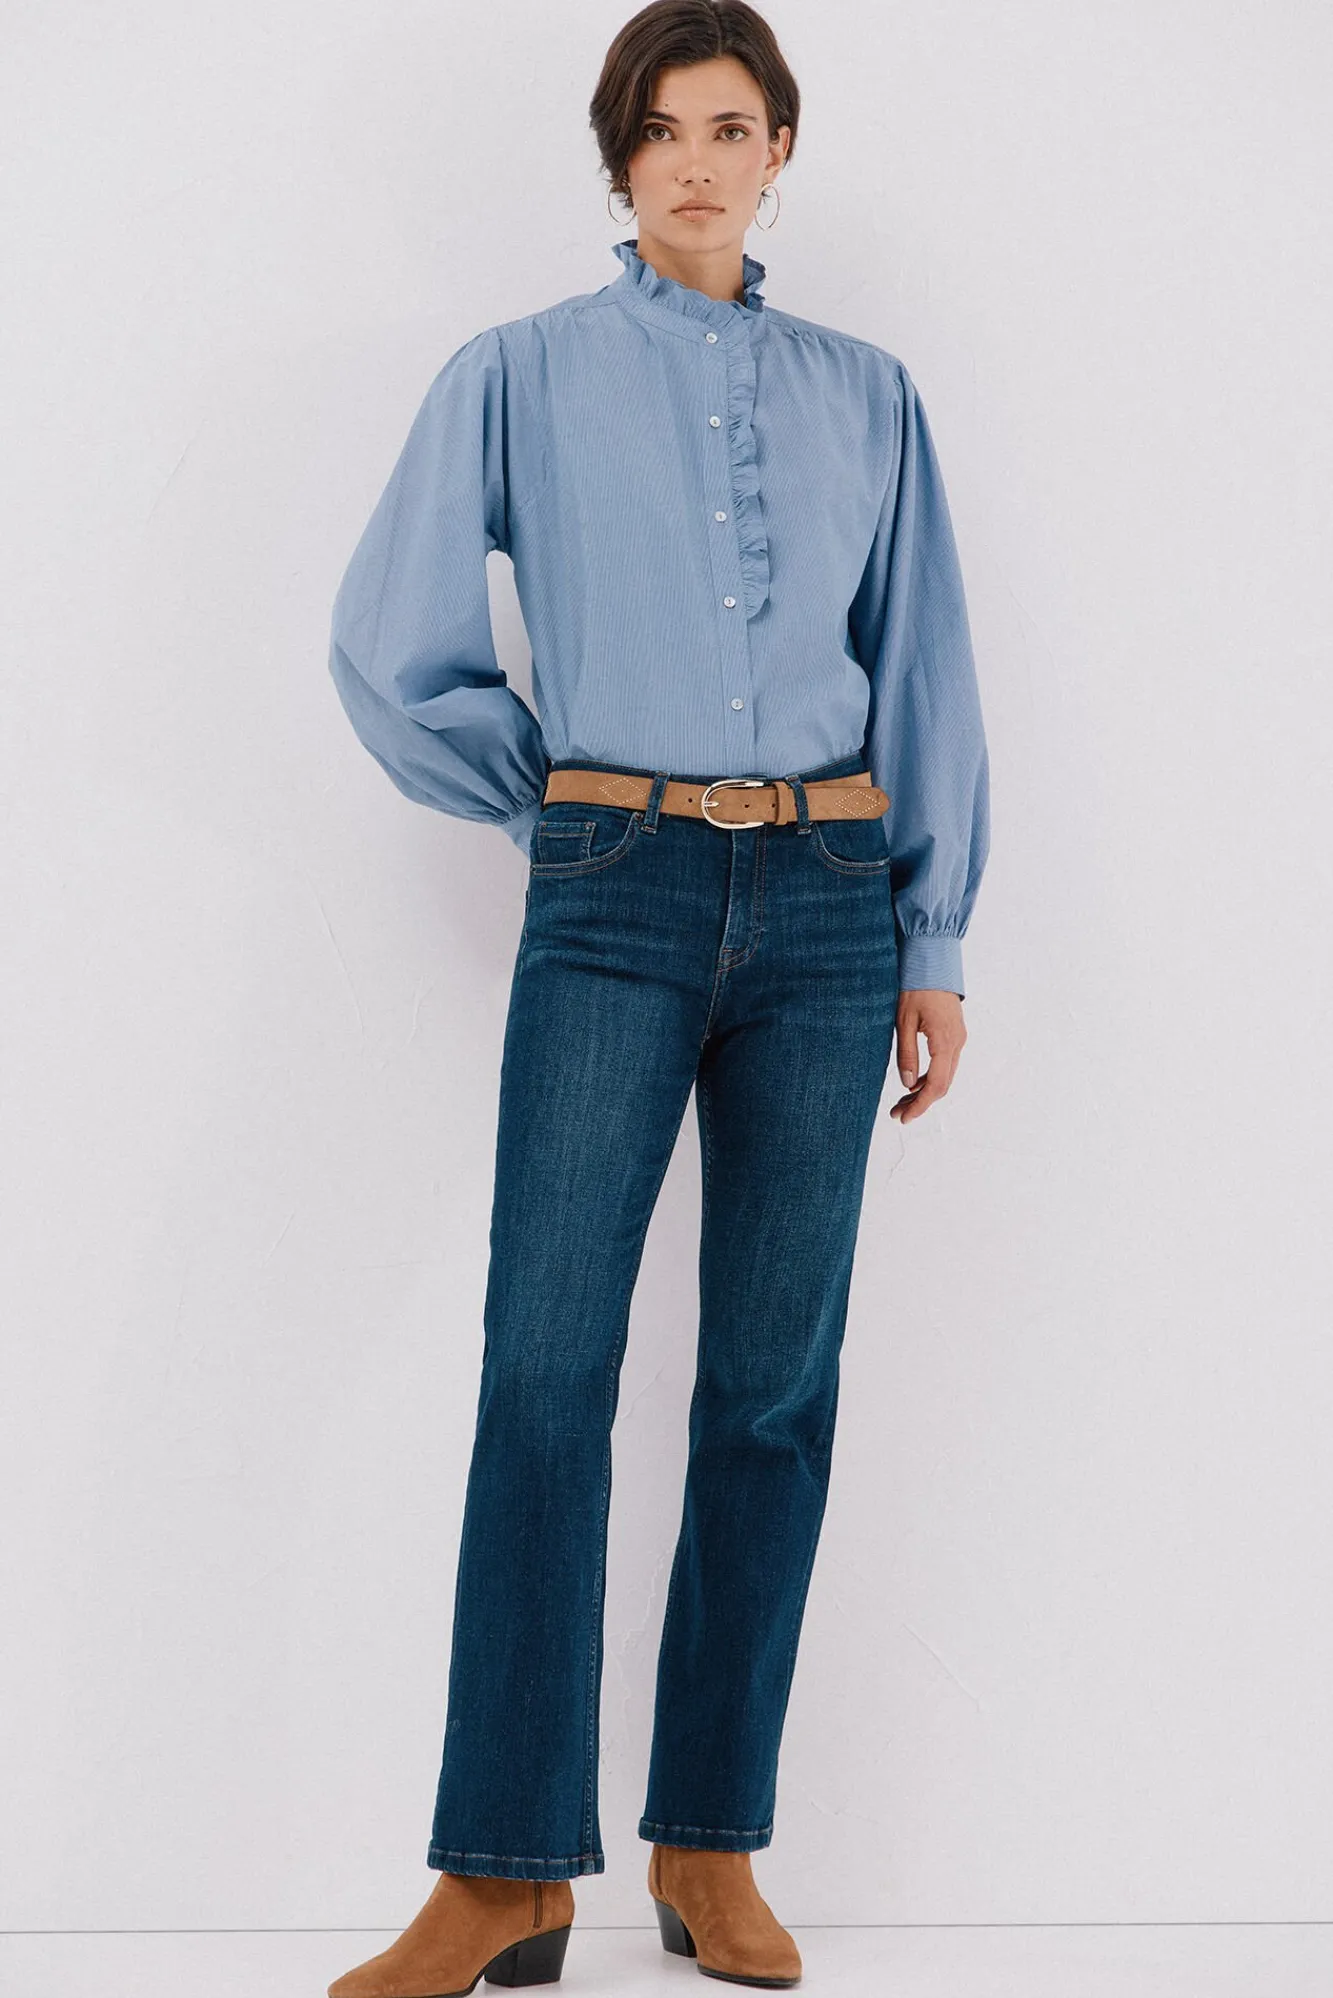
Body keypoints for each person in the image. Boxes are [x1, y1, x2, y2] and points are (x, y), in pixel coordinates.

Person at [324, 3, 990, 1991]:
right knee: (545, 1367)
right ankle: (506, 1867)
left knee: (772, 1386)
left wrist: (933, 938)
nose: (698, 161)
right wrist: (560, 800)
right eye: (663, 129)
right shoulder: (516, 375)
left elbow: (927, 670)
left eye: (733, 125)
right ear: (618, 158)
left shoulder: (871, 398)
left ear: (781, 151)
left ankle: (709, 1841)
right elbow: (389, 649)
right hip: (614, 892)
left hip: (829, 905)